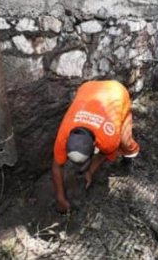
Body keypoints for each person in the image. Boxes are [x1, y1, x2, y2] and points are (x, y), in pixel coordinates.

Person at [52, 80, 140, 213]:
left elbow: (104, 154)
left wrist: (90, 171)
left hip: (117, 92)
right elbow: (56, 165)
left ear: (94, 145)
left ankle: (129, 156)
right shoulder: (63, 136)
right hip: (87, 88)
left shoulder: (109, 139)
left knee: (126, 142)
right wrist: (60, 197)